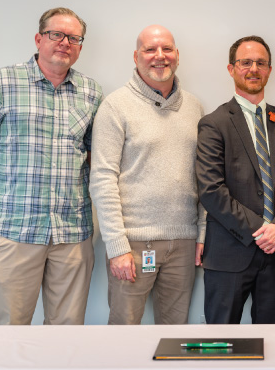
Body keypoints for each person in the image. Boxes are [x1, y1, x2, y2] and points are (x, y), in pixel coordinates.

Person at [0, 7, 103, 325]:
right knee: (10, 330)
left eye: (74, 38)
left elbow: (95, 156)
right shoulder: (1, 82)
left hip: (72, 232)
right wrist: (3, 185)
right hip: (16, 229)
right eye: (56, 34)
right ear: (39, 39)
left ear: (80, 46)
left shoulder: (91, 92)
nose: (65, 42)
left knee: (67, 332)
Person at [90, 25, 205, 325]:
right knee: (124, 332)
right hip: (133, 244)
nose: (159, 56)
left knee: (174, 334)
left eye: (167, 49)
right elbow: (102, 179)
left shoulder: (194, 108)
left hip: (183, 242)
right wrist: (117, 246)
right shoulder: (115, 106)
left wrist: (202, 232)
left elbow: (205, 177)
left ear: (177, 54)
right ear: (136, 56)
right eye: (150, 49)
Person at [196, 35, 275, 324]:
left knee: (272, 340)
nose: (253, 69)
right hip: (229, 252)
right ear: (231, 69)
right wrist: (262, 230)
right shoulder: (214, 123)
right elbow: (211, 190)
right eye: (245, 62)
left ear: (269, 70)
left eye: (260, 63)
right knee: (221, 340)